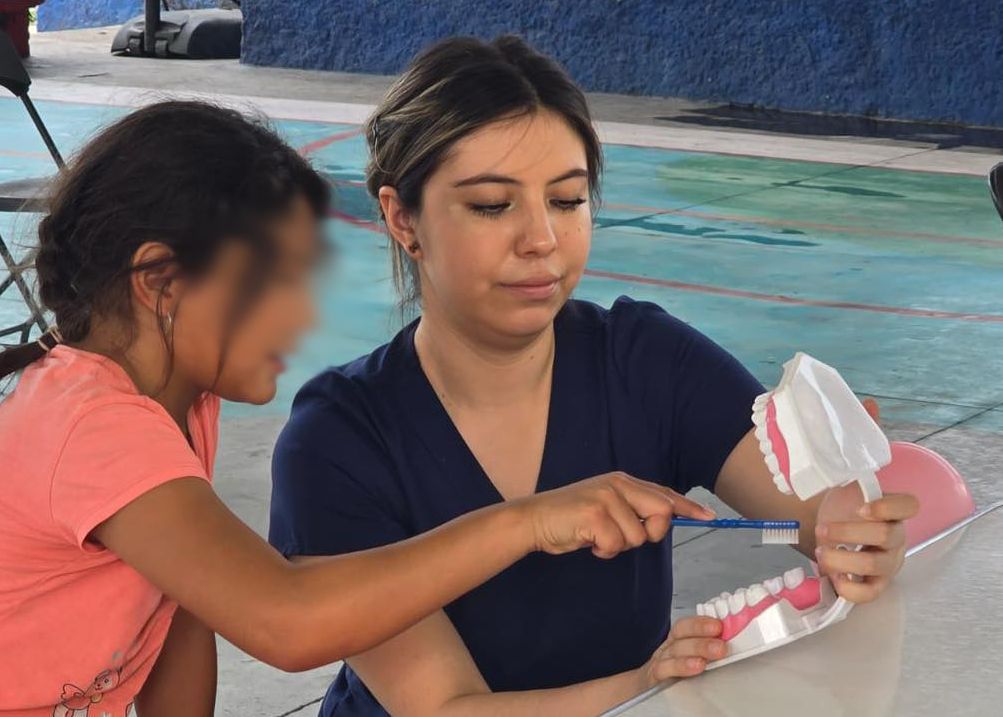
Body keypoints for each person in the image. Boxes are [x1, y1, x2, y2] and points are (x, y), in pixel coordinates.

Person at [269, 36, 920, 717]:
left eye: (567, 200)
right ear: (401, 217)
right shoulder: (340, 438)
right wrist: (648, 684)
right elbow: (444, 707)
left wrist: (850, 532)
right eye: (492, 205)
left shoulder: (643, 359)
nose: (540, 238)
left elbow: (805, 513)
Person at [0, 101, 702, 717]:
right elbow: (285, 619)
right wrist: (527, 521)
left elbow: (186, 606)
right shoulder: (95, 423)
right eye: (278, 282)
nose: (302, 317)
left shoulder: (174, 403)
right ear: (163, 282)